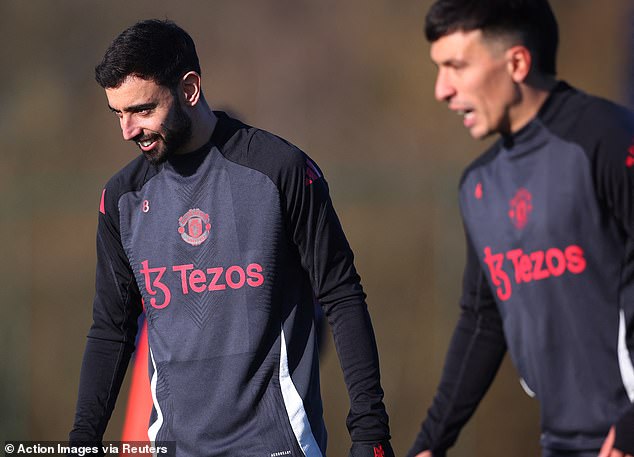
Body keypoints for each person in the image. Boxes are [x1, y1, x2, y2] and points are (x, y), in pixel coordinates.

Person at [69, 19, 394, 457]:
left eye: (142, 110)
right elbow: (111, 329)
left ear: (189, 89)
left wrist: (370, 434)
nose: (128, 130)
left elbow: (342, 294)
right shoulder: (121, 199)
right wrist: (81, 443)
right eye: (118, 114)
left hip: (277, 445)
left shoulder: (281, 170)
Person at [407, 1, 634, 457]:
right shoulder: (478, 184)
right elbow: (481, 321)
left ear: (516, 63)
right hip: (560, 442)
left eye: (455, 66)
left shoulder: (608, 139)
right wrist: (431, 443)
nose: (441, 90)